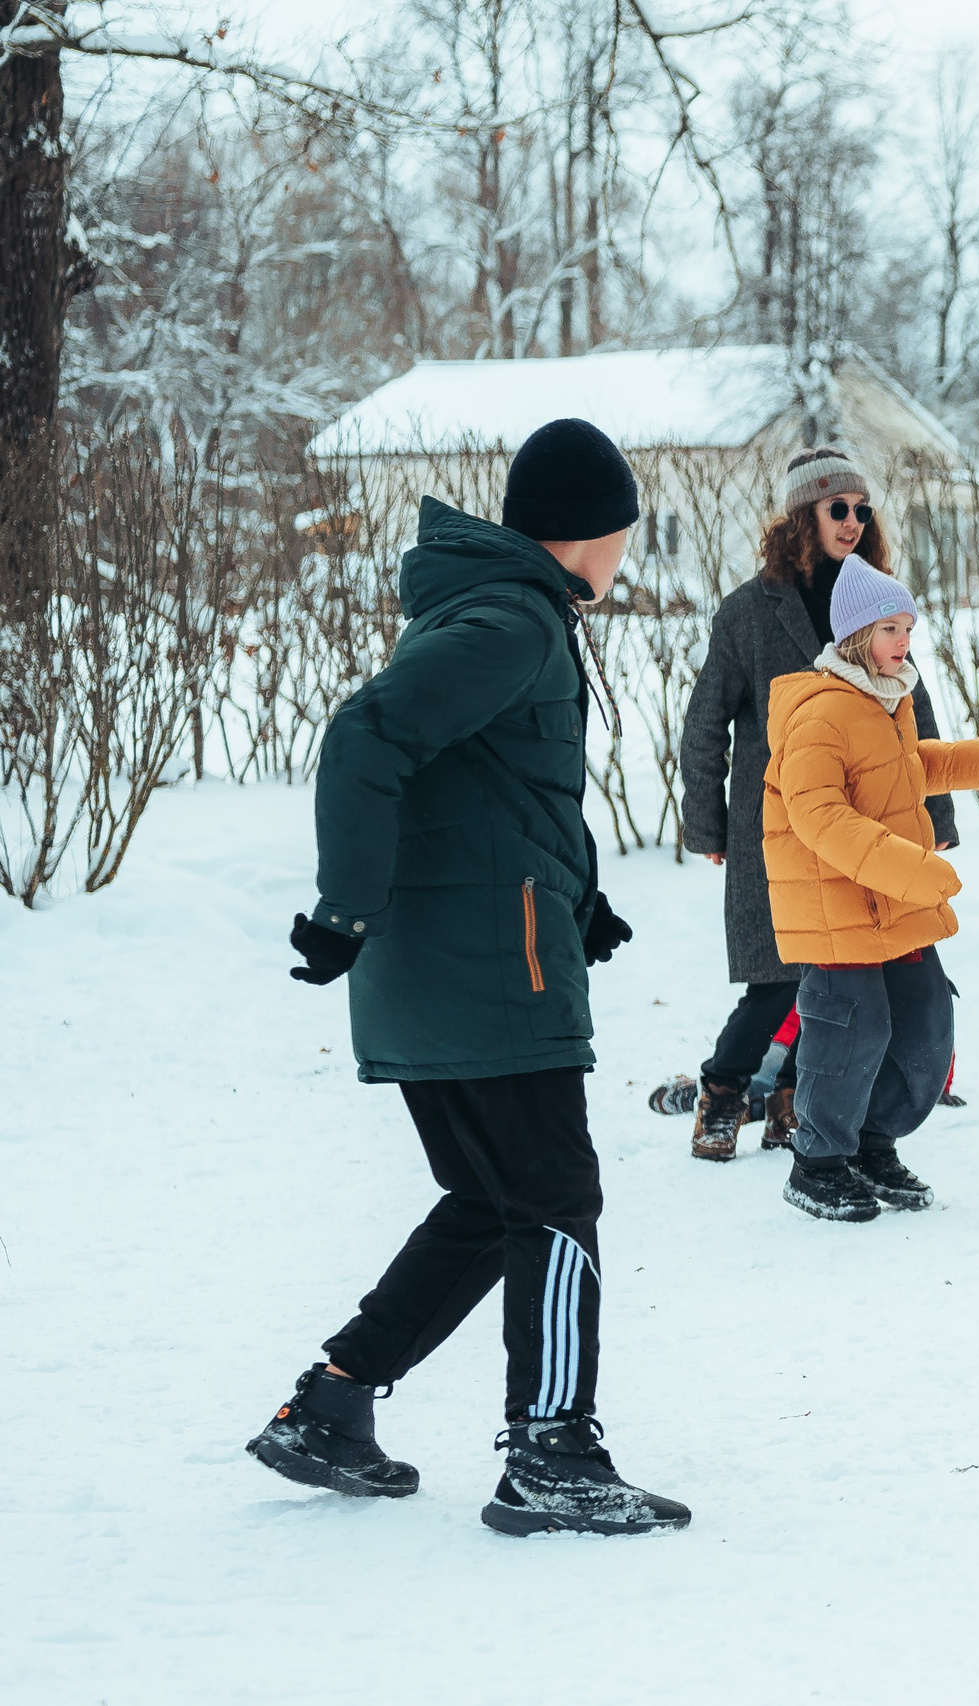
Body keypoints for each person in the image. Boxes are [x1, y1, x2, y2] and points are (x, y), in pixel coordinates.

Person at [250, 418, 688, 1534]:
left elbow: (499, 789)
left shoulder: (492, 608)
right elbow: (365, 739)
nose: (627, 548)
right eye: (625, 530)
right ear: (598, 530)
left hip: (460, 958)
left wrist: (579, 902)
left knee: (492, 1201)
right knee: (552, 1198)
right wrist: (342, 905)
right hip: (486, 972)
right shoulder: (511, 618)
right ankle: (553, 1449)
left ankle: (332, 1404)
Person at [678, 448, 962, 1161]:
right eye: (839, 508)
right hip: (773, 823)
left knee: (839, 976)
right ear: (802, 516)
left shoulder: (874, 603)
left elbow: (913, 713)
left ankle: (791, 1104)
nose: (854, 521)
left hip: (862, 823)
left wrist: (939, 818)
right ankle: (722, 1094)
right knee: (776, 979)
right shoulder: (749, 609)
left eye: (863, 510)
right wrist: (706, 820)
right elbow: (707, 719)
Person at [763, 561, 979, 1222]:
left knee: (925, 1028)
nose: (904, 640)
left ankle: (869, 1143)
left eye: (909, 627)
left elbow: (919, 765)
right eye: (891, 627)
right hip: (841, 909)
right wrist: (912, 871)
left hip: (890, 903)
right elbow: (820, 816)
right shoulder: (821, 713)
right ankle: (819, 1163)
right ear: (857, 633)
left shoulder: (885, 701)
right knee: (850, 1034)